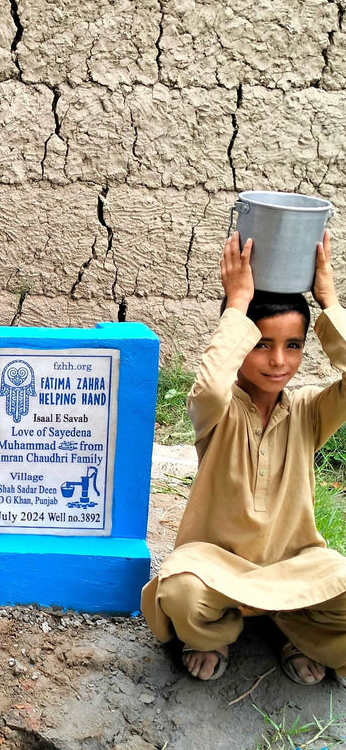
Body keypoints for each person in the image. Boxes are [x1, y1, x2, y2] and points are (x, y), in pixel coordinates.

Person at [142, 230, 346, 686]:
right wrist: (237, 304)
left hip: (293, 565)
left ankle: (296, 631)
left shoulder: (310, 411)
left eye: (293, 345)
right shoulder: (217, 412)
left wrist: (328, 299)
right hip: (218, 567)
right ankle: (216, 635)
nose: (279, 361)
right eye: (261, 344)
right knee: (179, 591)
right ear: (238, 345)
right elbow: (211, 385)